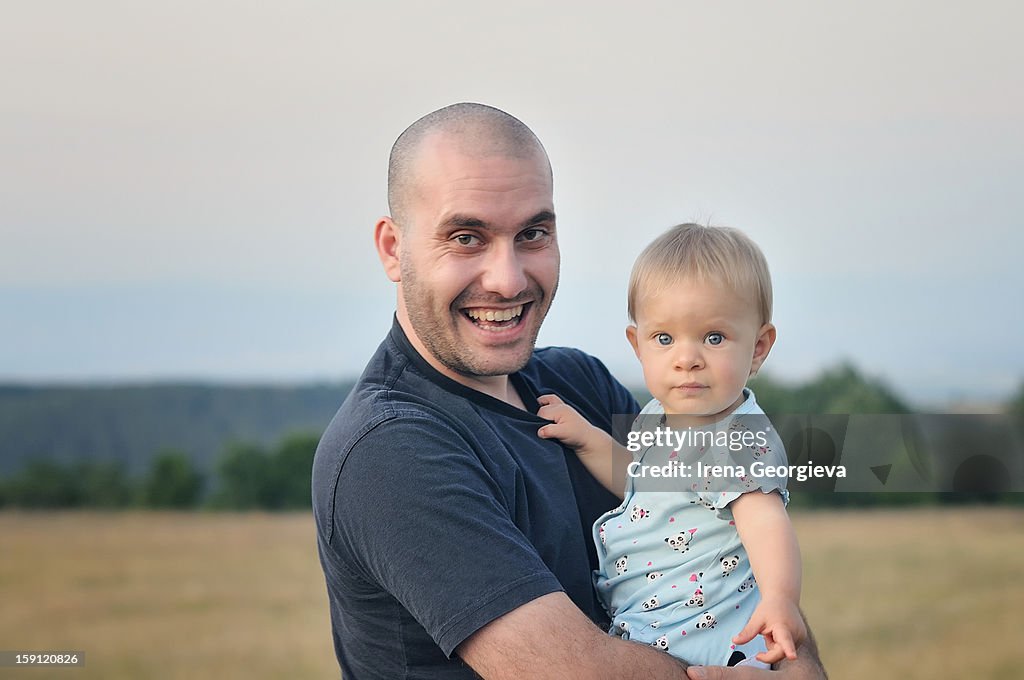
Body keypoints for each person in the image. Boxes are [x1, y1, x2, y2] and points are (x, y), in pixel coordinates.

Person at [311, 102, 827, 679]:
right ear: (392, 249)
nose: (507, 279)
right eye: (466, 237)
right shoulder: (390, 450)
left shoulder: (579, 384)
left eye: (532, 233)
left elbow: (727, 573)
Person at [537, 224, 804, 668]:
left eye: (714, 338)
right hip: (656, 629)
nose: (687, 357)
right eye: (664, 339)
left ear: (758, 347)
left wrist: (780, 599)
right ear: (638, 345)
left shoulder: (735, 438)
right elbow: (641, 484)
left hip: (710, 639)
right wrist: (587, 438)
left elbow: (767, 524)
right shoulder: (660, 415)